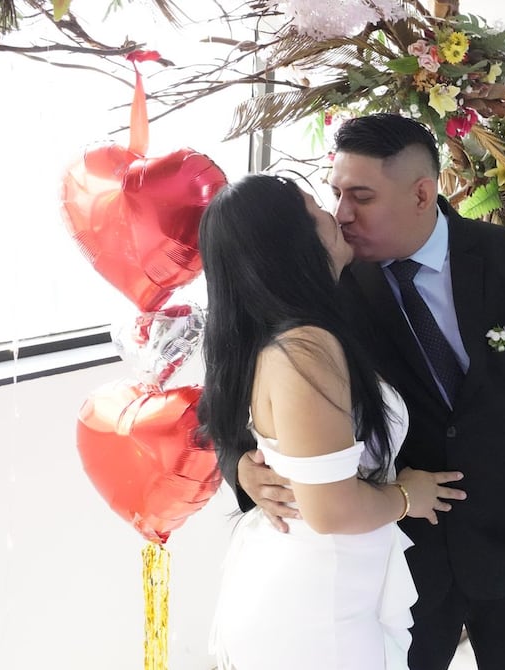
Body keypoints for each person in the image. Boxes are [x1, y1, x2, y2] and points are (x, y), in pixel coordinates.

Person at [236, 113, 505, 670]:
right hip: (398, 559)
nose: (342, 213)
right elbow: (246, 388)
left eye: (361, 196)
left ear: (421, 194)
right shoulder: (328, 282)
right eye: (336, 194)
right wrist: (242, 467)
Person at [196, 173, 467, 669]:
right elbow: (330, 510)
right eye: (318, 207)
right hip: (318, 600)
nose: (336, 214)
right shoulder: (304, 347)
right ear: (293, 240)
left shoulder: (281, 329)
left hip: (325, 580)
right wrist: (409, 495)